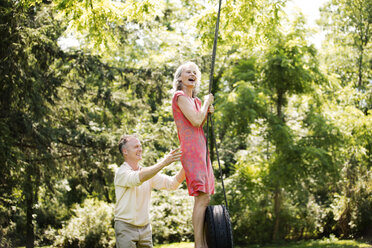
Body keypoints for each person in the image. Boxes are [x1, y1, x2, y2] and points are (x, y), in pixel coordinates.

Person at [172, 61, 215, 248]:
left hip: (202, 149)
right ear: (180, 78)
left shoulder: (196, 101)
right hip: (191, 151)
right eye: (188, 72)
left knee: (205, 197)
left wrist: (205, 108)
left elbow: (199, 122)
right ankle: (199, 245)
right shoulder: (179, 96)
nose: (192, 74)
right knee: (201, 194)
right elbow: (196, 121)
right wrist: (207, 104)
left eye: (195, 72)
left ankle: (203, 242)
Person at [114, 134, 185, 248]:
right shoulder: (122, 173)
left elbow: (172, 184)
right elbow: (138, 178)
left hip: (145, 228)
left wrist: (187, 166)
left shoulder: (147, 173)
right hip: (125, 227)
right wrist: (163, 163)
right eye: (136, 147)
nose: (140, 149)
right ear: (125, 151)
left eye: (140, 146)